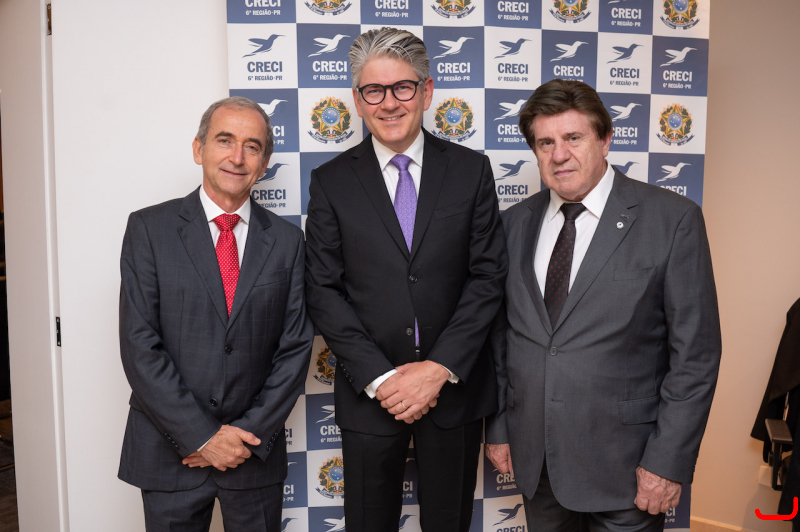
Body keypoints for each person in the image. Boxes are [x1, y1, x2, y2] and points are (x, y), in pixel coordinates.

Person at [485, 79, 722, 531]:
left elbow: (696, 356)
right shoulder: (512, 225)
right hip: (538, 463)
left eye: (573, 138)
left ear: (606, 139)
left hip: (629, 470)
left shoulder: (672, 220)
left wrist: (667, 462)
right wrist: (499, 429)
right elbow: (500, 339)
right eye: (545, 143)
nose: (559, 155)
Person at [304, 27, 508, 532]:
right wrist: (383, 379)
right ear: (358, 100)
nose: (389, 102)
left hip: (453, 392)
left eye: (402, 87)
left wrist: (438, 369)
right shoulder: (331, 181)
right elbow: (323, 289)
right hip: (371, 395)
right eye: (374, 90)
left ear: (427, 90)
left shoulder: (471, 171)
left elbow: (487, 277)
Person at [118, 96, 314, 531]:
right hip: (171, 453)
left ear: (264, 164)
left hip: (251, 453)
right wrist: (202, 437)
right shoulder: (149, 229)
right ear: (198, 149)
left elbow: (296, 348)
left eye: (252, 146)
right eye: (224, 140)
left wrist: (241, 437)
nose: (237, 157)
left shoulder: (288, 242)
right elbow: (139, 344)